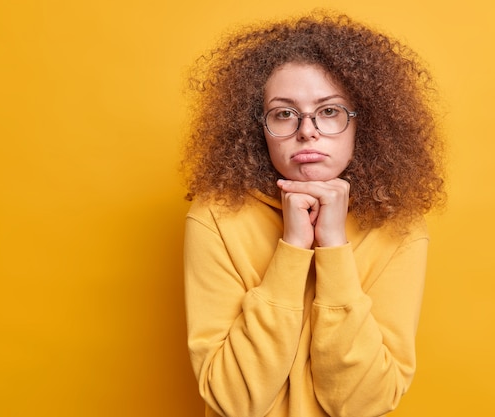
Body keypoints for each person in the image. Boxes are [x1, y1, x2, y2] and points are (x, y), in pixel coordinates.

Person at [182, 11, 445, 417]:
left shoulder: (400, 228)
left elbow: (364, 404)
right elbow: (233, 403)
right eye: (284, 113)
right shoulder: (215, 218)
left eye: (329, 111)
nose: (307, 131)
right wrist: (293, 247)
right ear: (259, 128)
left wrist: (334, 247)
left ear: (364, 124)